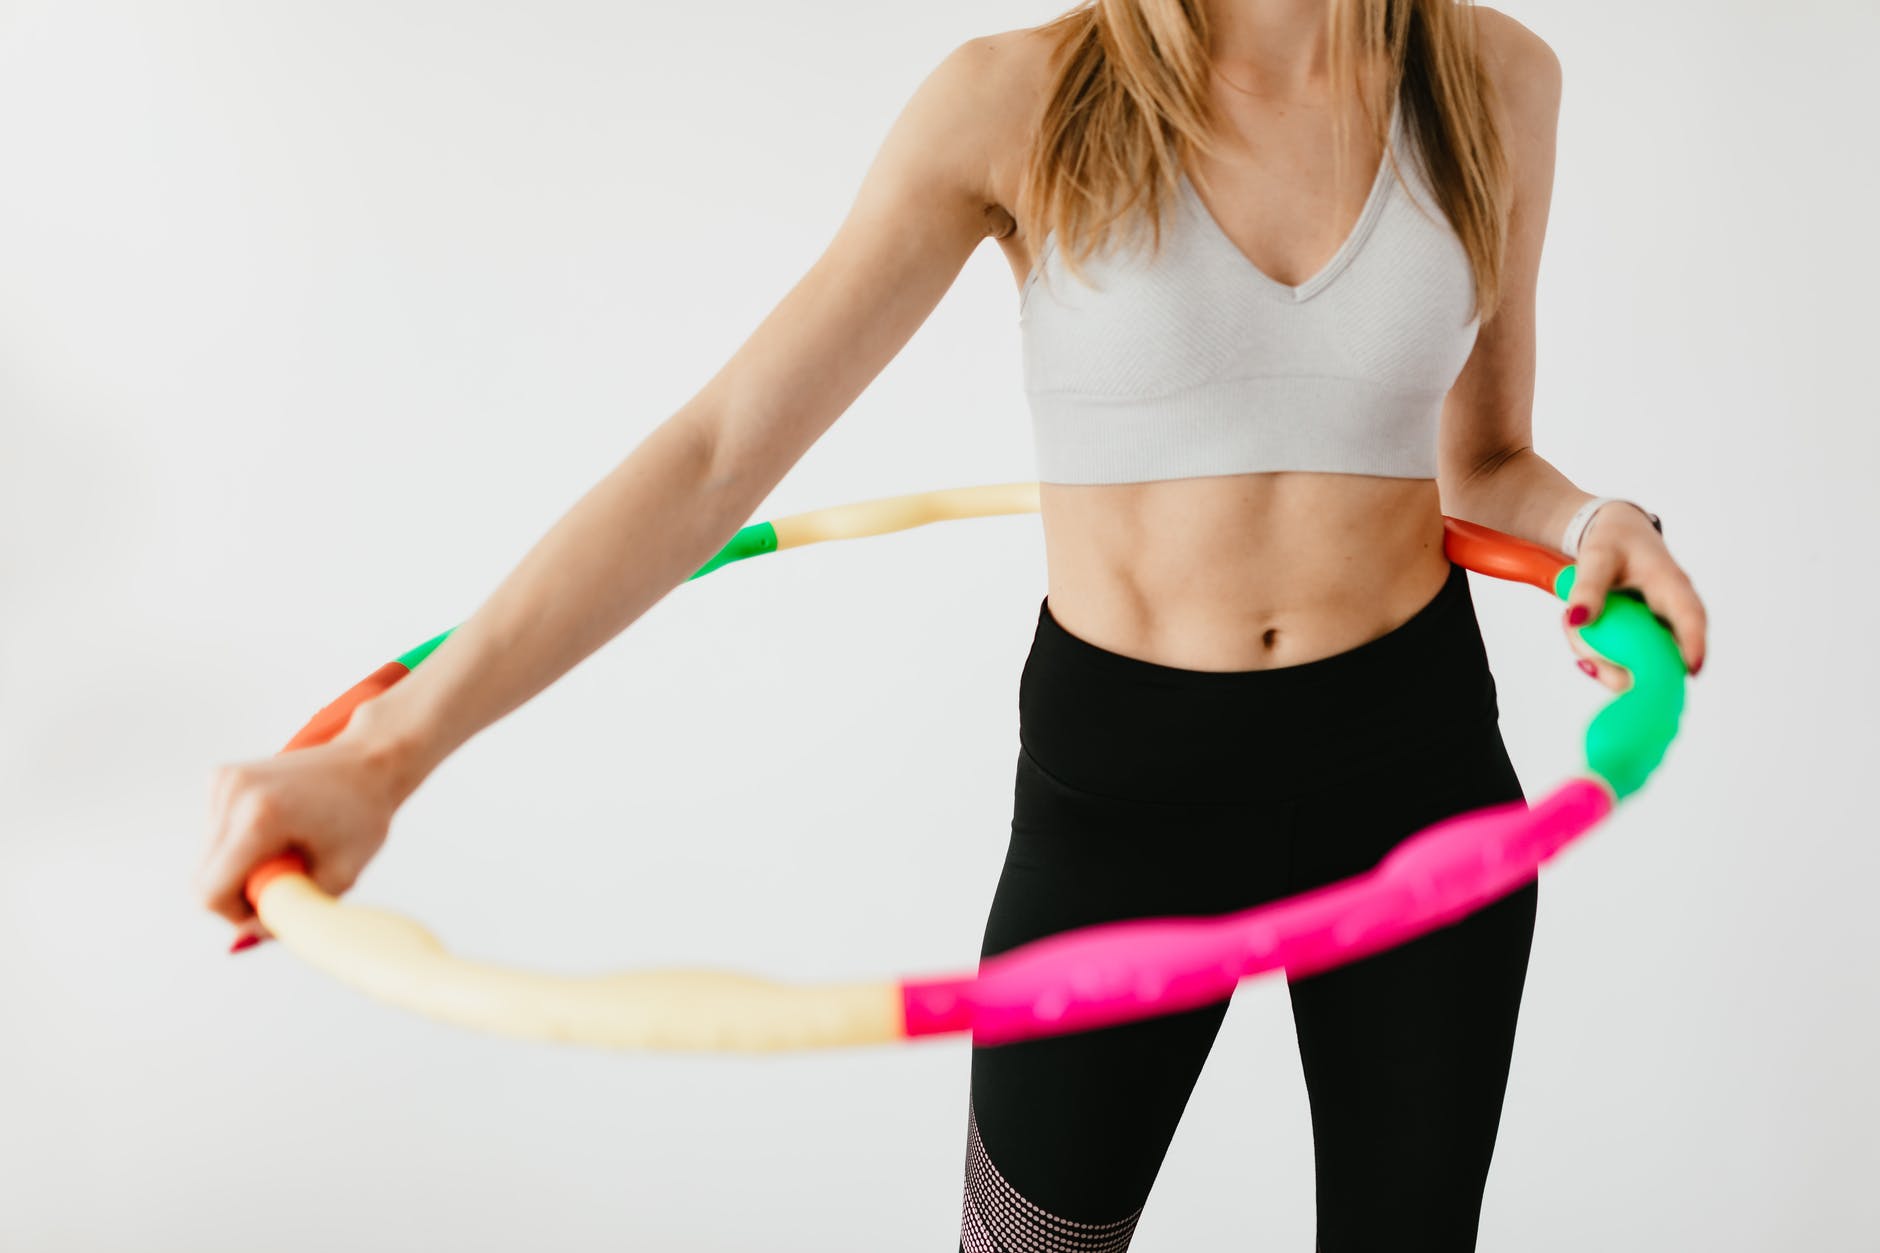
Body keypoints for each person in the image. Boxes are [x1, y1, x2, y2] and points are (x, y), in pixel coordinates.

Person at [196, 2, 1708, 1248]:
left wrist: (1592, 522)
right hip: (1126, 799)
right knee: (1027, 1248)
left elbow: (1487, 457)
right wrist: (385, 756)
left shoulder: (1499, 78)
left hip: (1415, 773)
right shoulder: (1022, 97)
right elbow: (722, 451)